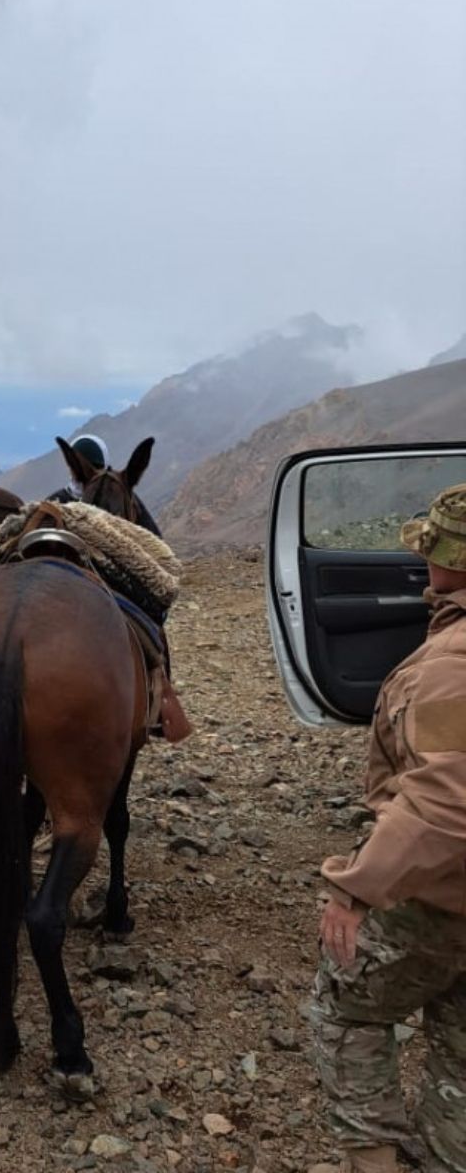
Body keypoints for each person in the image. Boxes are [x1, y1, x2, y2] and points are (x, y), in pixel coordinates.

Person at [309, 483, 466, 1173]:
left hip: (443, 895)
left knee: (347, 1007)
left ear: (446, 563)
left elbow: (445, 803)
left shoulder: (450, 667)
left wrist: (358, 886)